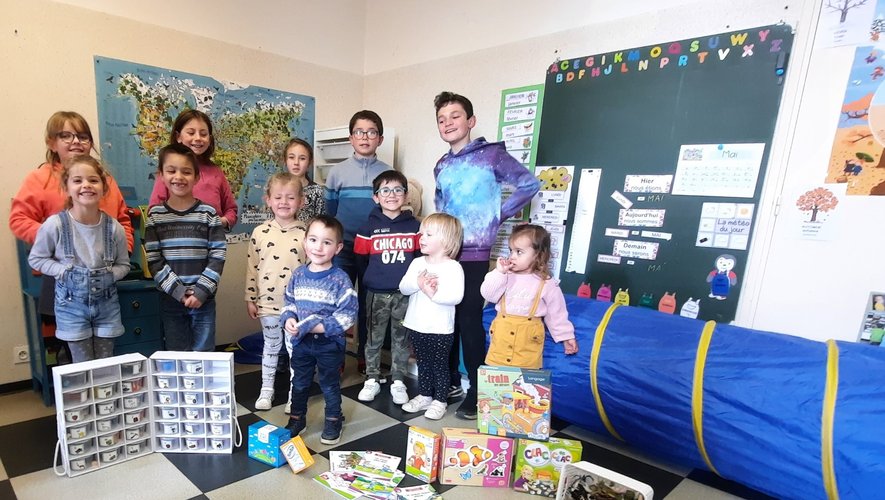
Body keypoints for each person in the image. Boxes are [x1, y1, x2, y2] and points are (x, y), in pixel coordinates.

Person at [433, 91, 540, 419]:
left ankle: (478, 391)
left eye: (455, 116)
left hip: (475, 254)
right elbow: (440, 206)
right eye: (441, 119)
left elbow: (529, 184)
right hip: (445, 253)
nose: (448, 123)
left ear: (470, 121)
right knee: (445, 320)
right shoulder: (441, 164)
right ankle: (448, 382)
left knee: (468, 321)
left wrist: (497, 215)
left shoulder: (491, 155)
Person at [9, 111, 134, 327]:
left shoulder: (105, 180)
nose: (76, 141)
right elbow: (19, 219)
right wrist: (55, 239)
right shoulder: (40, 178)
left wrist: (125, 250)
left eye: (83, 136)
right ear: (52, 142)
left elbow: (123, 220)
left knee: (108, 336)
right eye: (66, 135)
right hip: (62, 276)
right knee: (71, 342)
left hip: (105, 274)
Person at [27, 156, 130, 362]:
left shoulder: (114, 228)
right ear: (66, 187)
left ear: (103, 187)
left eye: (93, 180)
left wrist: (110, 275)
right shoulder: (55, 225)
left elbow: (124, 265)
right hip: (71, 307)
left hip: (107, 305)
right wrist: (62, 271)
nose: (86, 185)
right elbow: (37, 259)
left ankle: (103, 395)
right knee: (82, 365)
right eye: (77, 180)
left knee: (105, 363)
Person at [324, 110, 392, 373]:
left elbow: (391, 210)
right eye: (359, 132)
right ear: (351, 138)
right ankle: (335, 358)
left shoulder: (388, 172)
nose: (365, 137)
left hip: (374, 250)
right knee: (337, 304)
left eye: (371, 132)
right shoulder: (337, 172)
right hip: (342, 249)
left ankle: (367, 358)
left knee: (369, 306)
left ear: (380, 138)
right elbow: (330, 214)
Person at [282, 215, 358, 445]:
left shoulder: (340, 280)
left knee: (328, 383)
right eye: (313, 240)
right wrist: (288, 318)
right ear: (305, 243)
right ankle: (297, 419)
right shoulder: (298, 275)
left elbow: (348, 314)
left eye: (327, 242)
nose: (319, 247)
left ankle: (334, 419)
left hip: (329, 344)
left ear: (338, 248)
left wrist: (319, 326)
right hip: (302, 343)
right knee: (300, 382)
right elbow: (289, 302)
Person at [144, 143, 227, 351]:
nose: (178, 177)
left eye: (186, 171)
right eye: (171, 171)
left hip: (204, 299)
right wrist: (179, 292)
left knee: (204, 353)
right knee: (177, 353)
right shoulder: (155, 216)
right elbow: (154, 260)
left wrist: (201, 291)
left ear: (196, 177)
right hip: (171, 299)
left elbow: (217, 255)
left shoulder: (208, 214)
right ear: (161, 175)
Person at [353, 171, 421, 404]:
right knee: (373, 338)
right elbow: (361, 261)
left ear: (406, 195)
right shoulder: (367, 228)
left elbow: (420, 259)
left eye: (397, 190)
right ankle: (371, 378)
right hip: (376, 293)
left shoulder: (415, 227)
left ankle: (398, 380)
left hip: (405, 295)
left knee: (401, 339)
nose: (391, 195)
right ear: (376, 197)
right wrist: (373, 279)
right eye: (385, 190)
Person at [245, 172, 306, 410]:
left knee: (295, 351)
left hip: (296, 307)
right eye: (278, 197)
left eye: (290, 197)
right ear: (268, 200)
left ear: (300, 202)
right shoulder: (260, 233)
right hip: (267, 304)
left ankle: (295, 394)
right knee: (271, 347)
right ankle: (266, 390)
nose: (284, 202)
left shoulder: (305, 234)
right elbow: (252, 267)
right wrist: (249, 297)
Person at [481, 224, 578, 369]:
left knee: (524, 386)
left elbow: (556, 313)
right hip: (501, 338)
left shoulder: (546, 283)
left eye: (519, 252)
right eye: (511, 251)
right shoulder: (504, 276)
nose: (512, 256)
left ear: (538, 255)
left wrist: (566, 336)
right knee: (498, 381)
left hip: (528, 342)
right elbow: (489, 295)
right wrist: (499, 273)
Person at [399, 213, 464, 420]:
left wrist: (432, 293)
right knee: (423, 363)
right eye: (421, 233)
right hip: (416, 324)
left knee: (439, 365)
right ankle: (425, 395)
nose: (421, 237)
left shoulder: (453, 267)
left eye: (428, 234)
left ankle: (440, 401)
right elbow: (403, 287)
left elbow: (456, 297)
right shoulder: (418, 263)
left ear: (445, 240)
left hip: (440, 329)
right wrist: (418, 283)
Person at [149, 109, 238, 231]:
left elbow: (231, 210)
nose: (198, 138)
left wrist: (220, 222)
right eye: (191, 133)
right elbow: (154, 209)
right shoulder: (169, 172)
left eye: (203, 134)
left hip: (210, 241)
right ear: (178, 136)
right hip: (175, 239)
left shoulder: (216, 172)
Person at [282, 137, 325, 223]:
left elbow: (321, 224)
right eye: (291, 157)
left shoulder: (317, 192)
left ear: (309, 162)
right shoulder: (278, 189)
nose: (296, 163)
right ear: (285, 160)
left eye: (302, 158)